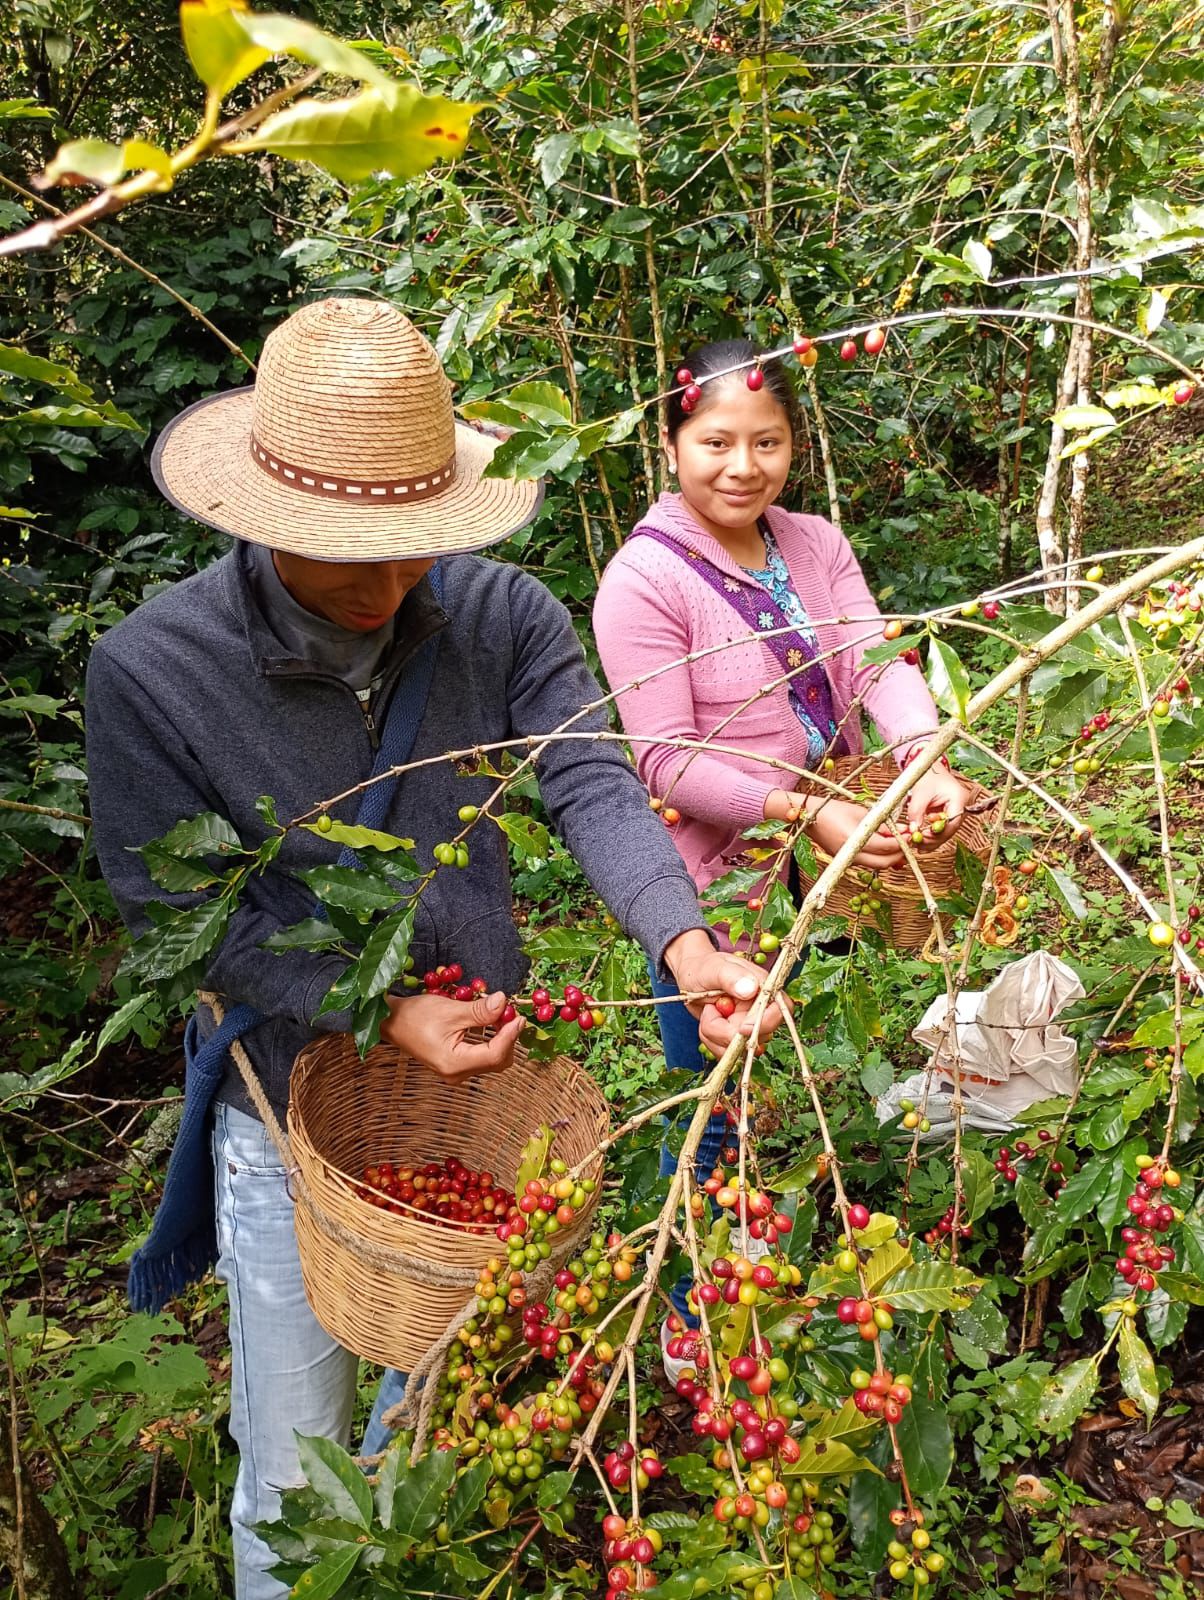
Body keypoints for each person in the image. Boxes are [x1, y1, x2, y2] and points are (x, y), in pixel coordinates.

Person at [84, 300, 787, 1600]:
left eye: (415, 546)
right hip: (286, 1118)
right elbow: (173, 920)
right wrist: (372, 1006)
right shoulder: (154, 675)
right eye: (353, 552)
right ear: (258, 517)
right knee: (299, 1477)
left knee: (425, 1433)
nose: (392, 583)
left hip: (472, 1124)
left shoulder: (500, 614)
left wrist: (685, 944)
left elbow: (588, 782)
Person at [592, 338, 970, 1337]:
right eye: (714, 440)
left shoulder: (811, 542)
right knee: (714, 1091)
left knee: (790, 1067)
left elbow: (871, 657)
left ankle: (771, 1261)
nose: (741, 465)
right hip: (709, 887)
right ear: (671, 443)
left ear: (793, 446)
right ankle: (686, 1315)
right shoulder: (643, 580)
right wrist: (807, 806)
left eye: (766, 441)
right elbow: (663, 759)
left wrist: (921, 752)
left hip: (823, 858)